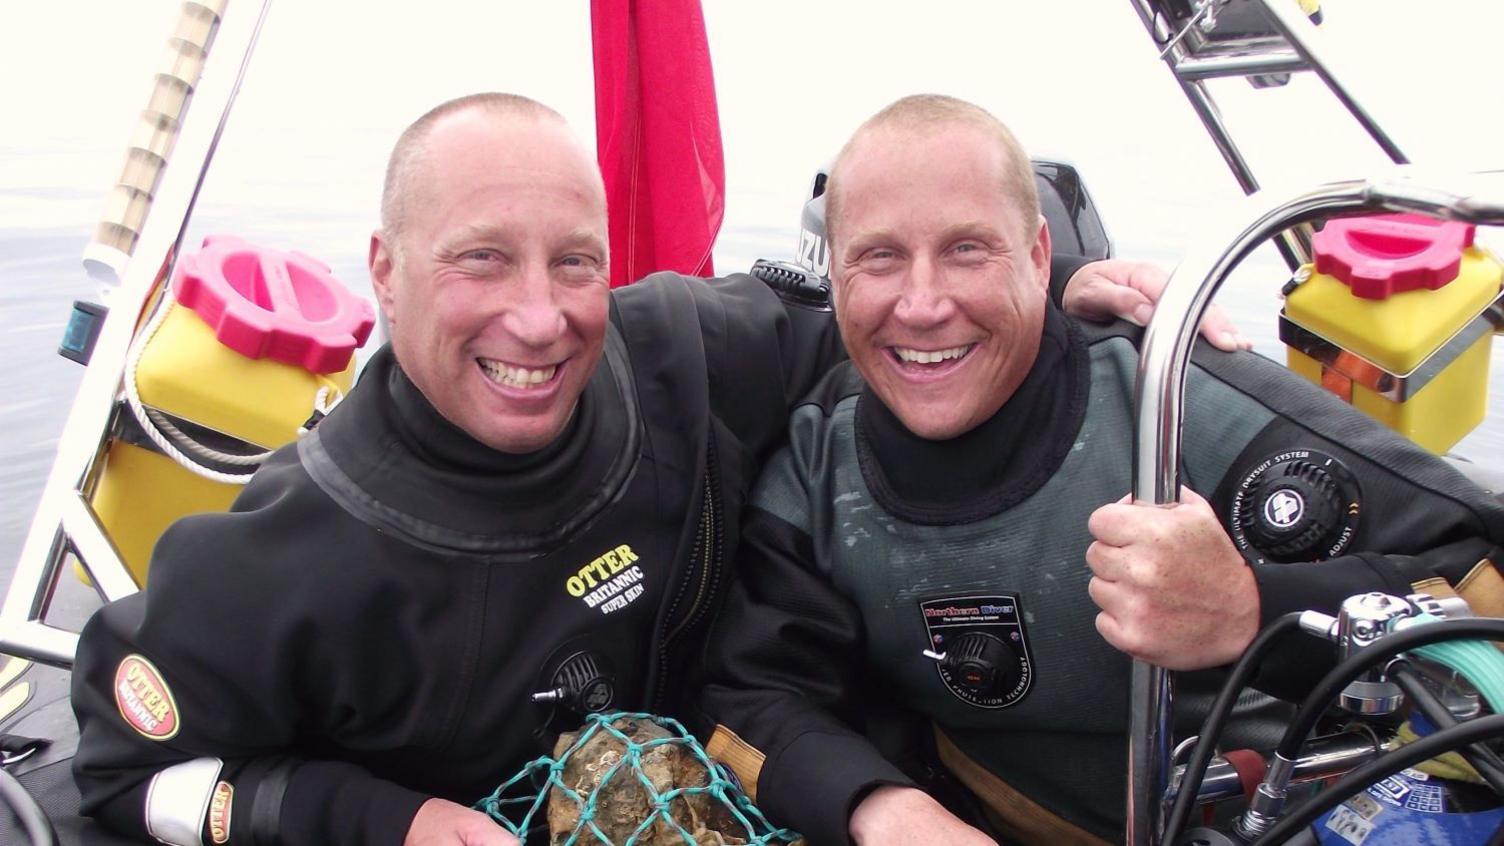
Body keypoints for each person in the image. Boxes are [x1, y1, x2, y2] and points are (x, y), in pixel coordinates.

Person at [65, 93, 1201, 846]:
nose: (540, 318)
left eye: (574, 264)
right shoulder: (281, 552)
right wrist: (378, 819)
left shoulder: (681, 354)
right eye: (480, 262)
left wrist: (1063, 298)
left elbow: (898, 326)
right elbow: (129, 783)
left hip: (749, 778)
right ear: (386, 272)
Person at [699, 94, 1504, 846]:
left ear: (1041, 255)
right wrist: (881, 808)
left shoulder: (1182, 405)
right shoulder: (815, 473)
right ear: (833, 276)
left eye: (967, 250)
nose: (922, 304)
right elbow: (756, 697)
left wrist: (1257, 611)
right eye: (879, 259)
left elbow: (1479, 576)